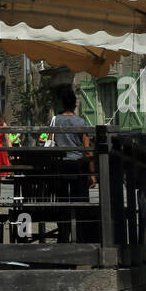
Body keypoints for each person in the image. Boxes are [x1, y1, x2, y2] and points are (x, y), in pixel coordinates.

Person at [52, 88, 96, 241]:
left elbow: (50, 140)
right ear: (75, 104)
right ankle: (81, 235)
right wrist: (92, 174)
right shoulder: (81, 121)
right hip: (79, 164)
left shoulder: (55, 120)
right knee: (81, 201)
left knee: (63, 201)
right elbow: (88, 150)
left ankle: (63, 235)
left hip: (62, 164)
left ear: (63, 103)